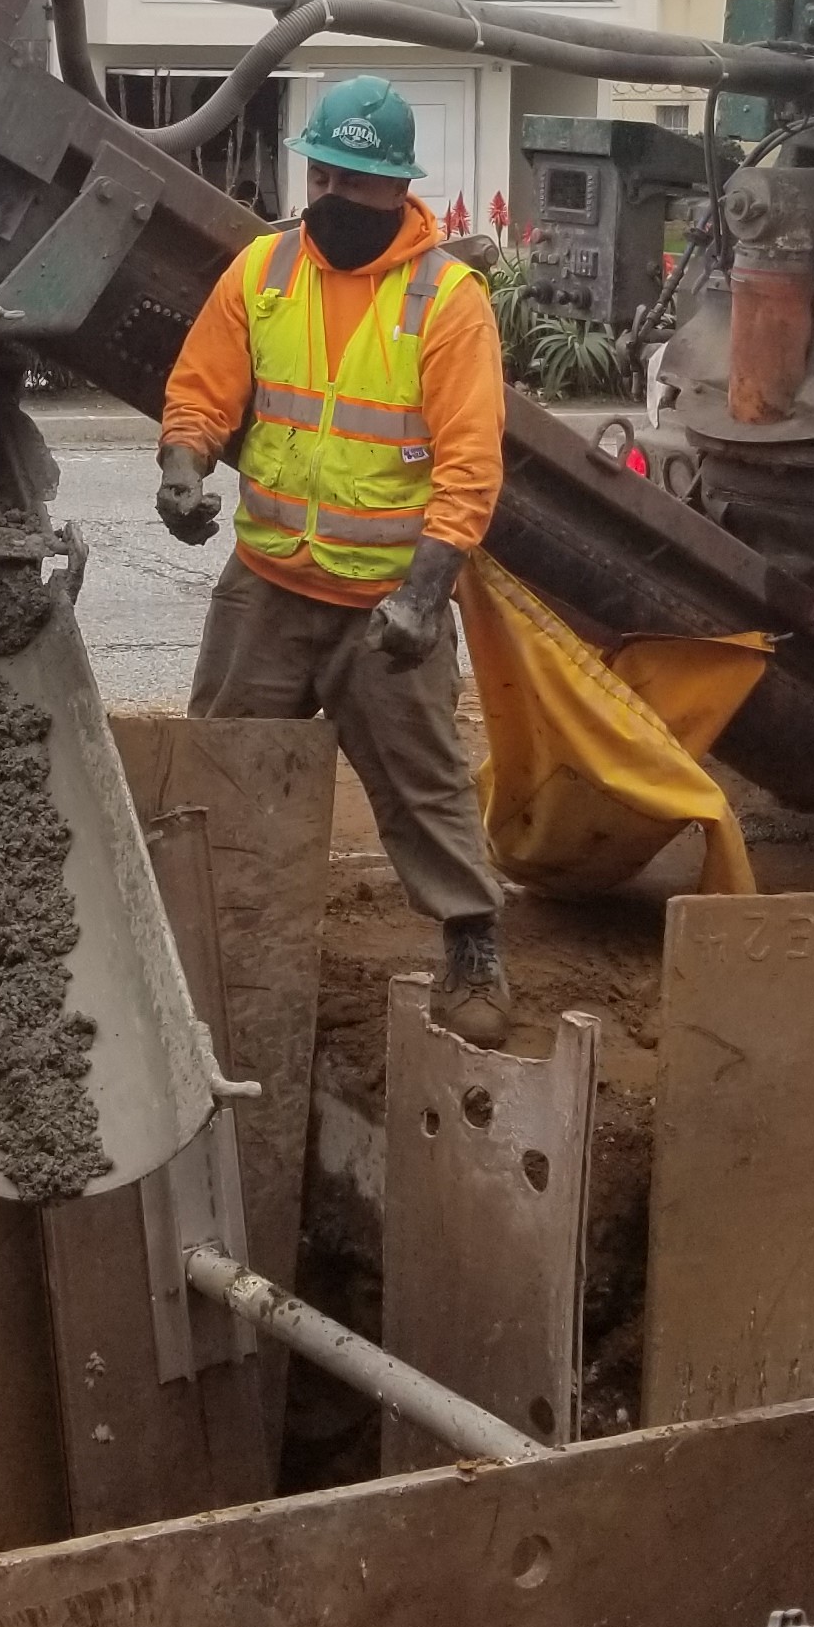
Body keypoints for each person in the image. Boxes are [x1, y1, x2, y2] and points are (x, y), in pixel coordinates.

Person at [157, 73, 515, 1043]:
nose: (334, 199)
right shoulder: (265, 274)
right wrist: (183, 469)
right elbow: (202, 392)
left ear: (399, 189)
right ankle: (209, 939)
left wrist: (424, 594)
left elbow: (470, 467)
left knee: (422, 779)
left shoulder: (448, 302)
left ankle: (471, 939)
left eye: (357, 183)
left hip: (387, 604)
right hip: (268, 589)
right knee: (223, 766)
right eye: (325, 176)